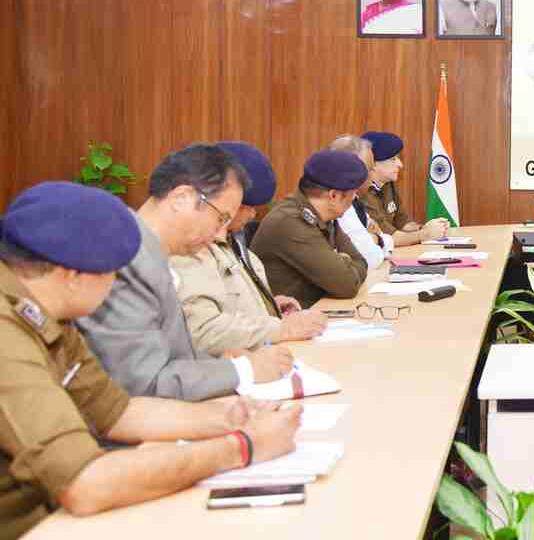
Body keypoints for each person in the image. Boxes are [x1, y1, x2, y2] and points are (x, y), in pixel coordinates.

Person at [0, 182, 302, 535]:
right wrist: (244, 447)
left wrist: (228, 418)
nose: (115, 287)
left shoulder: (47, 312)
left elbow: (118, 412)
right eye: (112, 274)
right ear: (73, 276)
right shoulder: (8, 334)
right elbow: (85, 484)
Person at [77, 144, 294, 401]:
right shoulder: (126, 259)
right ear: (181, 198)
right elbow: (144, 384)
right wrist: (243, 371)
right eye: (220, 218)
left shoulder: (148, 251)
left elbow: (170, 354)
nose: (220, 232)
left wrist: (219, 364)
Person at [170, 142, 329, 357]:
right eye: (247, 207)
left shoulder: (233, 242)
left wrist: (267, 306)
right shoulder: (192, 245)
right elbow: (204, 330)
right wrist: (283, 328)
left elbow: (228, 302)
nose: (253, 215)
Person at [251, 150, 371, 309]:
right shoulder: (290, 222)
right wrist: (344, 262)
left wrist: (343, 263)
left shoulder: (326, 216)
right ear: (334, 196)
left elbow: (361, 262)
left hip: (317, 312)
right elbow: (347, 285)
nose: (354, 199)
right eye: (353, 193)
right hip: (290, 319)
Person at [359, 131, 450, 247]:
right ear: (373, 164)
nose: (400, 164)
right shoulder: (362, 193)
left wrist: (425, 228)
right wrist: (426, 234)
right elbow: (389, 238)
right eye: (393, 159)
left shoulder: (387, 184)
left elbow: (403, 224)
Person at [330, 134, 395, 269]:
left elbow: (388, 240)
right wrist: (376, 238)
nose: (372, 175)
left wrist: (375, 238)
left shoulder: (354, 200)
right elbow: (369, 259)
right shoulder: (341, 203)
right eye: (370, 169)